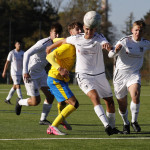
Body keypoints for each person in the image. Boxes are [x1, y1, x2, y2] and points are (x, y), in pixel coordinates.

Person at [46, 11, 121, 136]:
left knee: (110, 101)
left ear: (95, 29)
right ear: (84, 28)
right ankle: (106, 125)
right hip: (84, 76)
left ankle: (112, 127)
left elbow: (105, 44)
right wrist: (50, 47)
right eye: (86, 29)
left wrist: (109, 47)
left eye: (91, 30)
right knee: (94, 97)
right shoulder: (76, 38)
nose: (88, 32)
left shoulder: (100, 37)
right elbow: (64, 40)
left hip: (100, 75)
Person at [15, 23, 63, 126]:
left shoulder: (57, 44)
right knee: (35, 101)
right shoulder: (43, 43)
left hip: (41, 73)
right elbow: (27, 53)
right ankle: (20, 102)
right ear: (51, 33)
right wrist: (25, 71)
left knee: (50, 96)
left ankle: (43, 119)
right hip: (31, 74)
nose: (57, 36)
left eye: (59, 33)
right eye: (55, 33)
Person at [108, 20, 150, 134]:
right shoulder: (125, 41)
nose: (138, 32)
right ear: (132, 30)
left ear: (143, 32)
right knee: (122, 104)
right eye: (136, 30)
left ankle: (134, 121)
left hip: (134, 74)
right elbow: (110, 54)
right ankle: (126, 123)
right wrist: (115, 51)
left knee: (135, 94)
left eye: (140, 31)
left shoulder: (145, 43)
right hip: (120, 75)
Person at [46, 21, 82, 135]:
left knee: (62, 103)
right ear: (71, 33)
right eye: (77, 29)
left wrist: (54, 41)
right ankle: (53, 126)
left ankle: (61, 121)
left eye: (81, 29)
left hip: (59, 79)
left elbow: (58, 40)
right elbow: (49, 56)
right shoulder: (68, 47)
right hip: (55, 79)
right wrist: (60, 69)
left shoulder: (72, 44)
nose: (80, 31)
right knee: (74, 104)